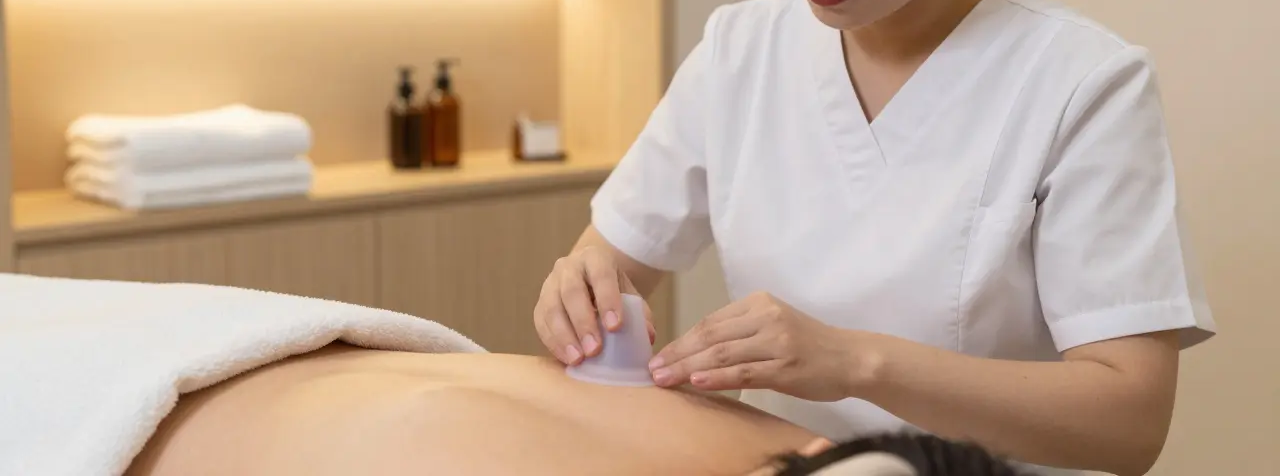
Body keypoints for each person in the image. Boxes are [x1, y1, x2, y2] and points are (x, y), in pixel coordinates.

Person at [533, 0, 1216, 475]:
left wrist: (854, 361)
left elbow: (1129, 423)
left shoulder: (1082, 83)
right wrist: (582, 296)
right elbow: (609, 267)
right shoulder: (741, 50)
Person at [121, 341, 1022, 476]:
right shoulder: (763, 438)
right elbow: (614, 245)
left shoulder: (1082, 78)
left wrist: (856, 358)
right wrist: (589, 275)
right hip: (198, 351)